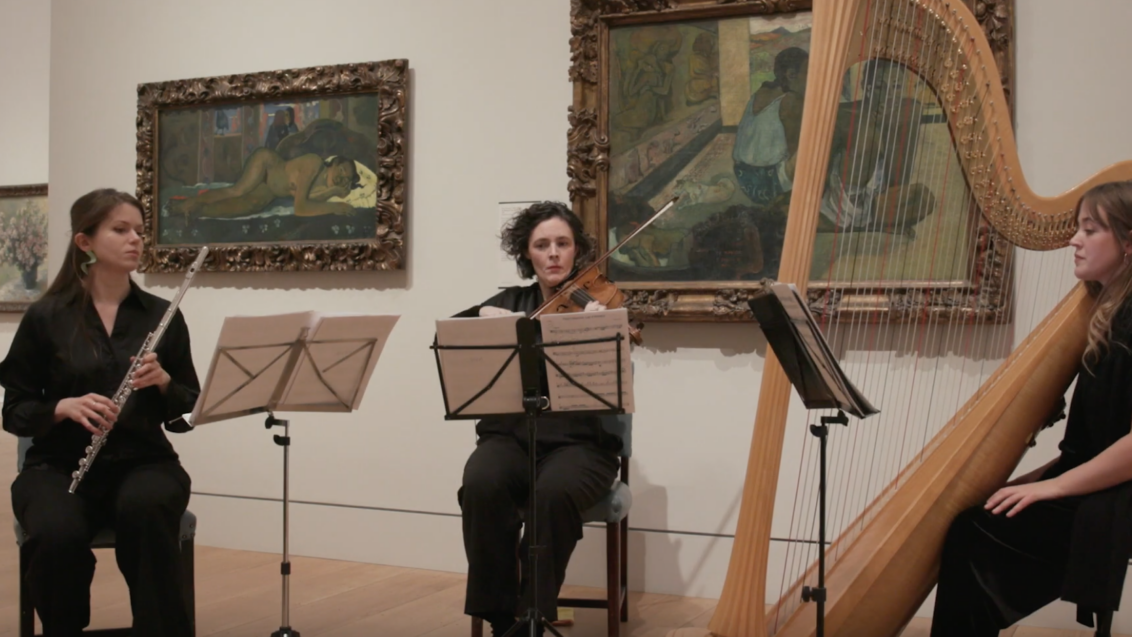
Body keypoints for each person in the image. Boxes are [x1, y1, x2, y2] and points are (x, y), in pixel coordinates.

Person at [930, 180, 1132, 635]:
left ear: (1129, 243)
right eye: (1077, 228)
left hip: (1121, 491)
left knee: (976, 532)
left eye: (1090, 229)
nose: (1074, 241)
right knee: (977, 518)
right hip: (1098, 477)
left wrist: (1054, 487)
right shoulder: (1110, 310)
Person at [2, 188, 200, 637]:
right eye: (120, 229)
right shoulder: (47, 317)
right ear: (85, 242)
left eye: (139, 230)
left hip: (145, 461)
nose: (135, 239)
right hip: (57, 467)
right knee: (55, 536)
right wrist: (60, 408)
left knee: (147, 510)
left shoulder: (162, 315)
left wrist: (165, 383)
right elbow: (14, 411)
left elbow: (185, 417)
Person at [454, 201, 625, 636]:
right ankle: (499, 617)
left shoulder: (599, 306)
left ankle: (532, 615)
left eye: (562, 244)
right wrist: (486, 317)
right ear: (526, 253)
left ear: (576, 252)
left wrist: (600, 332)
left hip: (582, 446)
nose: (553, 254)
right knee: (481, 483)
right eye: (542, 244)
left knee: (552, 492)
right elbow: (453, 331)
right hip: (511, 439)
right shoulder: (511, 301)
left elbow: (620, 360)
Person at [170, 149, 361, 219]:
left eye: (346, 179)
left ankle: (194, 210)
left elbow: (309, 199)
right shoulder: (314, 163)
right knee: (238, 190)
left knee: (249, 206)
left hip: (271, 189)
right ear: (334, 163)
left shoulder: (323, 188)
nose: (342, 177)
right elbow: (301, 208)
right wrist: (335, 206)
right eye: (343, 170)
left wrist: (334, 192)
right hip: (267, 165)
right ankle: (185, 203)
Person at [732, 47, 808, 205]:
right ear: (791, 75)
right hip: (769, 183)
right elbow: (795, 150)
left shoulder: (762, 92)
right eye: (809, 72)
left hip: (744, 178)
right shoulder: (792, 100)